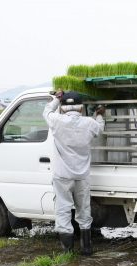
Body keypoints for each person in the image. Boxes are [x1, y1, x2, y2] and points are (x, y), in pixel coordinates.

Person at [43, 90, 105, 255]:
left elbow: (46, 111)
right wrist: (99, 114)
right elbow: (100, 129)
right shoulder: (89, 123)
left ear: (63, 108)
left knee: (63, 209)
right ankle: (86, 248)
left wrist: (56, 98)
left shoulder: (56, 121)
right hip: (81, 175)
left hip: (62, 176)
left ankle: (67, 251)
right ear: (81, 108)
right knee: (84, 210)